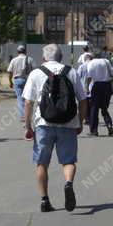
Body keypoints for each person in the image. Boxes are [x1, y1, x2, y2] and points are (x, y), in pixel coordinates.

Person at [22, 44, 88, 212]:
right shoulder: (71, 72)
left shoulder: (36, 73)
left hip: (44, 124)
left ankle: (45, 200)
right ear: (61, 58)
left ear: (44, 58)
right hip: (68, 123)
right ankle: (68, 183)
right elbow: (83, 100)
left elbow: (28, 102)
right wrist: (80, 121)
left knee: (41, 163)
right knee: (68, 161)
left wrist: (28, 125)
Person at [84, 52, 113, 136]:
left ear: (93, 57)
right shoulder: (106, 61)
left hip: (97, 85)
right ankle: (109, 125)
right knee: (104, 108)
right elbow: (112, 74)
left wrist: (86, 88)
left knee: (94, 108)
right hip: (107, 85)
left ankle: (94, 130)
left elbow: (89, 76)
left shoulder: (91, 63)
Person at [7, 45, 35, 117]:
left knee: (20, 98)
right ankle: (29, 114)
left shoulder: (14, 60)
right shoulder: (30, 59)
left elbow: (10, 72)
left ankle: (23, 115)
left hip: (17, 80)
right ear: (25, 51)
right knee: (27, 98)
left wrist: (10, 81)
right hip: (28, 80)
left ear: (18, 52)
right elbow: (34, 71)